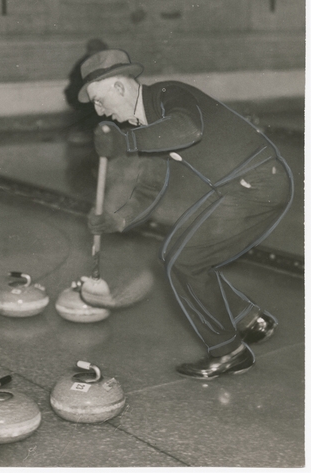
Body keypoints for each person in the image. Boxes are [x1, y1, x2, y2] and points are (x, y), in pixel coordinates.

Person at [79, 49, 294, 379]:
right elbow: (150, 185)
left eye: (99, 100)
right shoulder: (147, 123)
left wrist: (126, 142)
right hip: (237, 187)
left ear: (119, 89)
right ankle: (249, 319)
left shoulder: (169, 95)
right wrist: (117, 218)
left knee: (186, 261)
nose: (99, 111)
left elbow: (187, 129)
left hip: (259, 184)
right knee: (172, 254)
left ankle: (229, 352)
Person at [64, 38, 109, 145]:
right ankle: (93, 132)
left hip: (78, 96)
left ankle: (90, 131)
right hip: (83, 97)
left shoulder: (85, 61)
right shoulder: (92, 63)